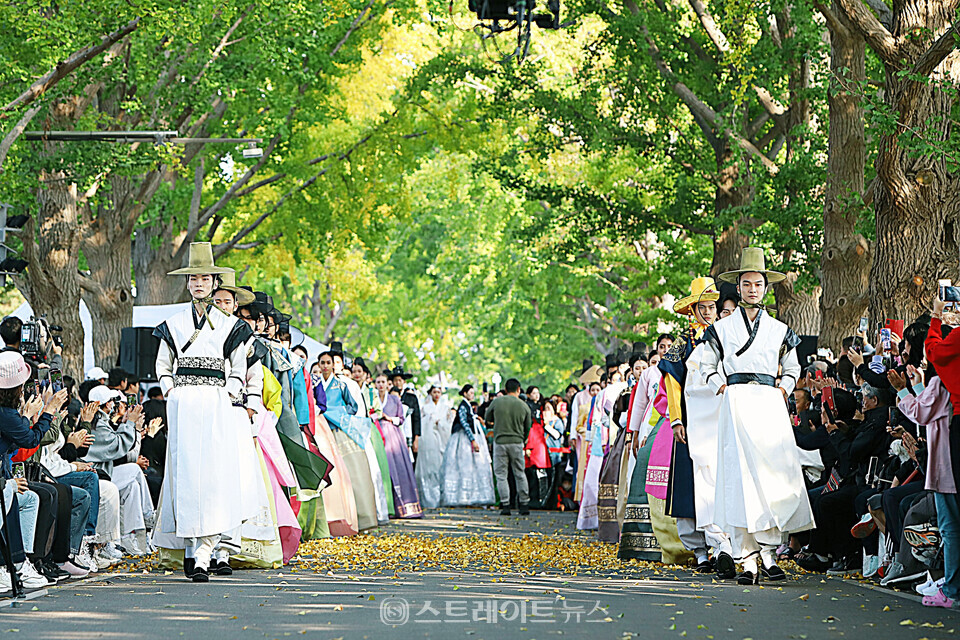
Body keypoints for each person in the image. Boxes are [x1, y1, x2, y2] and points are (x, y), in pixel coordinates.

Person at [701, 247, 814, 585]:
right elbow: (707, 365)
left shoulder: (779, 329)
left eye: (758, 284)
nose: (752, 289)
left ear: (766, 288)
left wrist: (783, 388)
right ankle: (747, 558)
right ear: (738, 287)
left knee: (771, 476)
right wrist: (721, 387)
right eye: (746, 284)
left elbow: (793, 366)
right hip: (736, 403)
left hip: (768, 403)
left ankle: (769, 552)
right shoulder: (721, 329)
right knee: (740, 479)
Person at [151, 242, 253, 582]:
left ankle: (206, 551)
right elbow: (163, 365)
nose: (198, 284)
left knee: (213, 475)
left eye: (204, 278)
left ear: (214, 283)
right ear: (188, 283)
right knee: (185, 473)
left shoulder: (229, 325)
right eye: (193, 278)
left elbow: (238, 367)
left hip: (215, 402)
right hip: (184, 404)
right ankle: (192, 546)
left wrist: (229, 394)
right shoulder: (175, 323)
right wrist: (171, 392)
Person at [658, 276, 735, 577]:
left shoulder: (726, 338)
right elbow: (672, 383)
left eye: (712, 306)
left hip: (720, 420)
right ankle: (701, 551)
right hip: (691, 423)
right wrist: (676, 420)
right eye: (703, 307)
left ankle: (722, 547)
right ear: (692, 310)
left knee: (719, 482)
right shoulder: (682, 344)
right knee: (690, 487)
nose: (709, 311)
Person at [441, 384, 495, 506]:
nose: (472, 395)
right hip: (463, 439)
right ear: (464, 393)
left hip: (468, 437)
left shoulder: (468, 406)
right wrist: (472, 439)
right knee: (463, 466)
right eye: (470, 392)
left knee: (471, 466)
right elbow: (464, 423)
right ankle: (462, 496)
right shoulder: (463, 407)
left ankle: (471, 495)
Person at [487, 379, 532, 516]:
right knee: (519, 473)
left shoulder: (497, 402)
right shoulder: (523, 405)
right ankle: (524, 504)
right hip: (517, 442)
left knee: (501, 475)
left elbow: (487, 416)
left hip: (500, 441)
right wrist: (522, 439)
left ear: (505, 390)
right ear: (519, 389)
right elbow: (528, 426)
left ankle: (505, 504)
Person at [415, 385, 448, 509]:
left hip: (440, 440)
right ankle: (428, 499)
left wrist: (440, 423)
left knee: (439, 469)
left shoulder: (445, 408)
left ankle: (441, 498)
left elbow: (448, 425)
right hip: (428, 442)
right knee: (428, 470)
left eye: (439, 392)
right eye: (434, 392)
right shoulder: (425, 408)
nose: (436, 394)